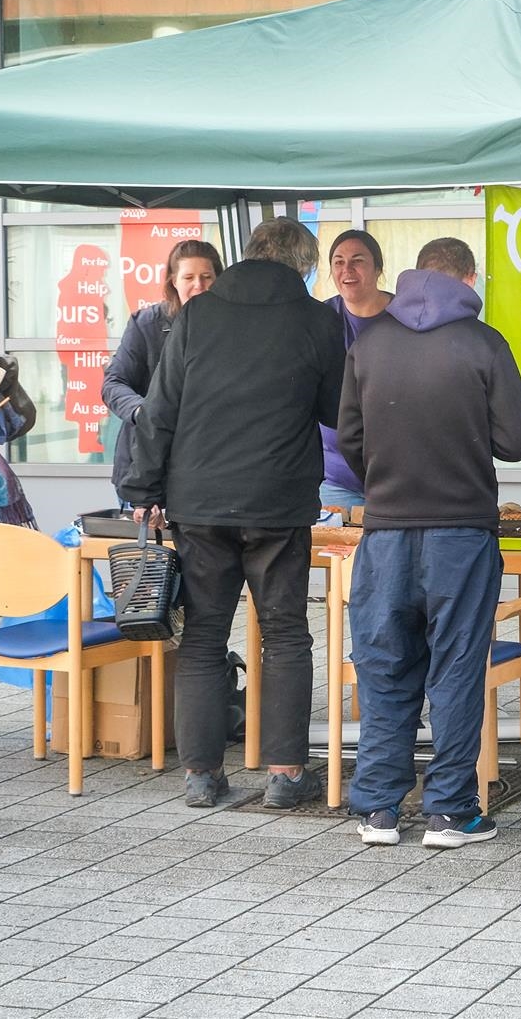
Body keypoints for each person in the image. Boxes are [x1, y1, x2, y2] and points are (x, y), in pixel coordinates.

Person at [120, 217, 344, 810]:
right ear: (301, 265)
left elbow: (160, 410)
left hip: (200, 502)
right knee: (286, 635)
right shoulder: (318, 319)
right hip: (278, 500)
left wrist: (143, 488)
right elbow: (335, 408)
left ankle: (200, 774)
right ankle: (287, 774)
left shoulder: (196, 315)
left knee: (202, 638)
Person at [336, 237, 521, 848]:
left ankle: (377, 809)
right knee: (455, 667)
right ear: (468, 278)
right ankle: (449, 811)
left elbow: (349, 437)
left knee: (385, 665)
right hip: (462, 535)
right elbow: (517, 440)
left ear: (413, 273)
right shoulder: (483, 343)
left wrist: (388, 479)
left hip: (386, 532)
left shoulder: (370, 342)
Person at [101, 239, 223, 499]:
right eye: (188, 277)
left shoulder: (231, 328)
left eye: (207, 276)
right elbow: (113, 383)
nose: (198, 285)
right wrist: (143, 411)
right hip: (144, 467)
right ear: (173, 281)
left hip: (206, 471)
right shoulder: (146, 323)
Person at [319, 230, 394, 510]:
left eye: (357, 261)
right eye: (338, 262)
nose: (347, 270)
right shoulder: (320, 320)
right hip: (336, 479)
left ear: (378, 268)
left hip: (401, 480)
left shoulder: (406, 317)